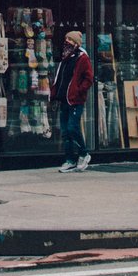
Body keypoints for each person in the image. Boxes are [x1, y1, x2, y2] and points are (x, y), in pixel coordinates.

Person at [50, 29, 94, 171]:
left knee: (72, 128)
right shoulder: (66, 57)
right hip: (64, 99)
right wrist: (54, 93)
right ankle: (70, 160)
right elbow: (61, 77)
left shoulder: (82, 58)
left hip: (75, 100)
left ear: (76, 43)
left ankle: (84, 153)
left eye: (69, 40)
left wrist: (79, 91)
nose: (66, 42)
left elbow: (88, 78)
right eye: (66, 39)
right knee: (65, 132)